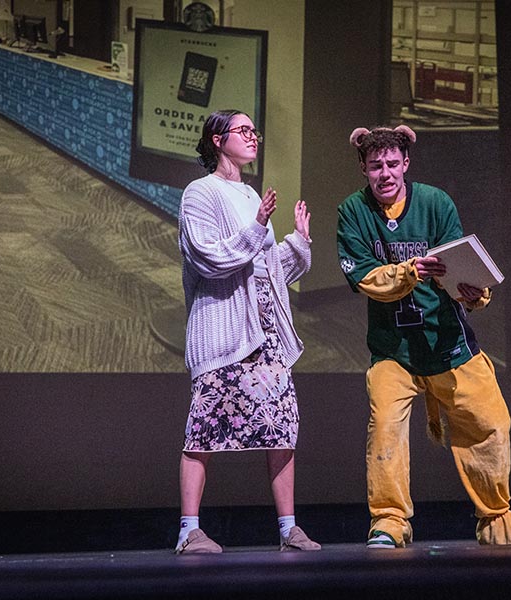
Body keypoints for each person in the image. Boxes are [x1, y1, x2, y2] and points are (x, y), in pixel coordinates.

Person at [336, 124, 511, 548]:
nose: (385, 173)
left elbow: (459, 261)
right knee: (385, 431)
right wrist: (410, 270)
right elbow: (365, 278)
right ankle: (390, 522)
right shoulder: (352, 212)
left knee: (490, 424)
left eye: (392, 164)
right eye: (375, 166)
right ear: (363, 168)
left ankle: (497, 519)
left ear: (406, 163)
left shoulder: (435, 202)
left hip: (448, 342)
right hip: (393, 349)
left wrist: (474, 291)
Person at [174, 109, 320, 554]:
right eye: (243, 131)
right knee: (204, 431)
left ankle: (288, 528)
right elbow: (210, 258)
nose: (253, 137)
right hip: (224, 333)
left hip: (265, 332)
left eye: (255, 131)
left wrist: (297, 241)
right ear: (217, 140)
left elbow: (268, 269)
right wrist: (257, 227)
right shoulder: (199, 193)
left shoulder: (250, 193)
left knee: (281, 428)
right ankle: (188, 530)